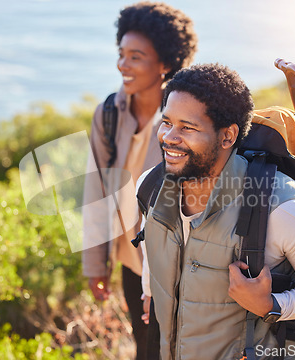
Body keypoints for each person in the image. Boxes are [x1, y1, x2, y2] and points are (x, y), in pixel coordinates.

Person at [138, 63, 295, 359]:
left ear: (227, 137)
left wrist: (270, 305)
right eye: (167, 123)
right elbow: (156, 238)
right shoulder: (151, 185)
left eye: (187, 127)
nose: (169, 137)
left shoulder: (279, 205)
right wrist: (151, 289)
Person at [81, 2, 197, 359]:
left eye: (136, 57)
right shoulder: (110, 114)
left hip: (177, 263)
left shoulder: (187, 117)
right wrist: (95, 265)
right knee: (145, 348)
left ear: (165, 63)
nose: (123, 65)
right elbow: (96, 189)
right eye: (121, 54)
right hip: (132, 261)